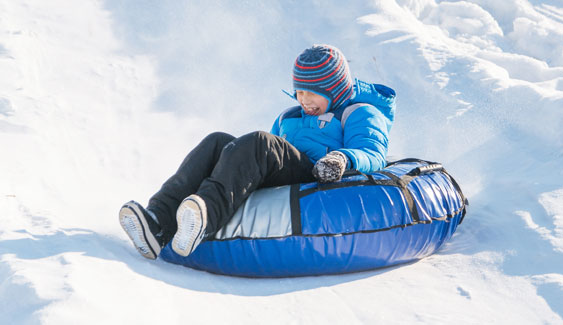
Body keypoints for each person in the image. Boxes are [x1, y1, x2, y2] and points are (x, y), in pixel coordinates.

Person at [117, 44, 396, 260]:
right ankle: (158, 222)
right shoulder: (289, 116)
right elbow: (266, 155)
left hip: (317, 175)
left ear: (335, 89)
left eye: (313, 93)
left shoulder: (359, 112)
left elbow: (372, 152)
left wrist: (342, 158)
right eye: (299, 92)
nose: (304, 100)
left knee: (261, 142)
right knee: (217, 141)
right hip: (287, 173)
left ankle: (204, 219)